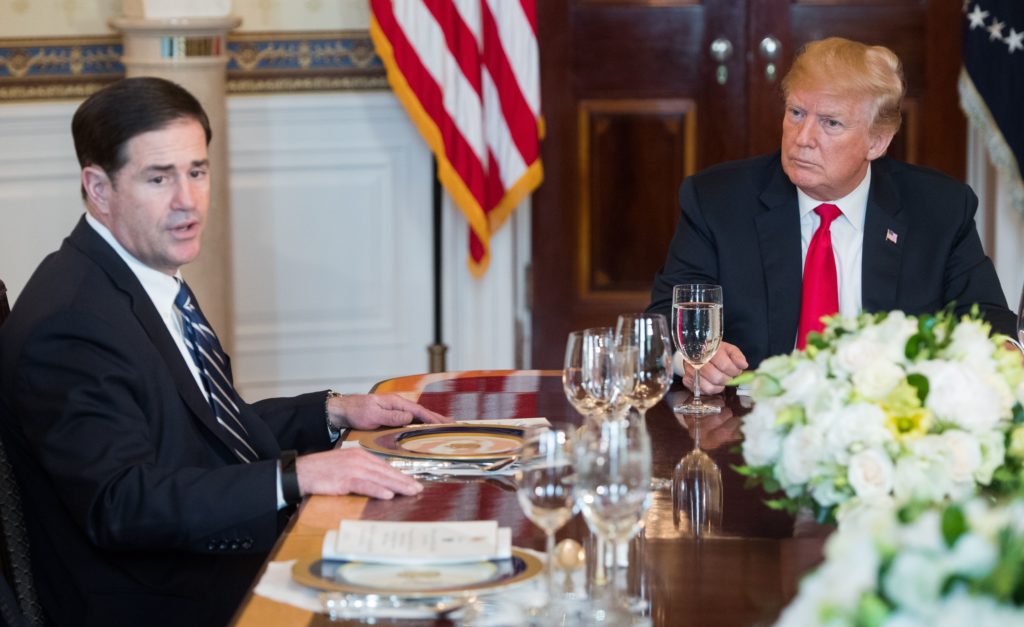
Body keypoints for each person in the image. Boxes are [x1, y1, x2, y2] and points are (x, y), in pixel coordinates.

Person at [0, 77, 450, 626]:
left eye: (197, 171)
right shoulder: (73, 324)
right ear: (98, 187)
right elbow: (122, 502)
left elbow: (197, 432)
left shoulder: (136, 276)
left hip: (201, 569)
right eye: (158, 178)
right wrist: (297, 477)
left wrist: (330, 413)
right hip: (170, 603)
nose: (187, 201)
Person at [648, 37, 1016, 394]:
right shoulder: (718, 201)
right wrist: (692, 360)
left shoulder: (939, 209)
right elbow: (665, 319)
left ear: (877, 141)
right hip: (750, 424)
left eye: (830, 123)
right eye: (796, 113)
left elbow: (985, 315)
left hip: (886, 426)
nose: (802, 137)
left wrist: (1003, 351)